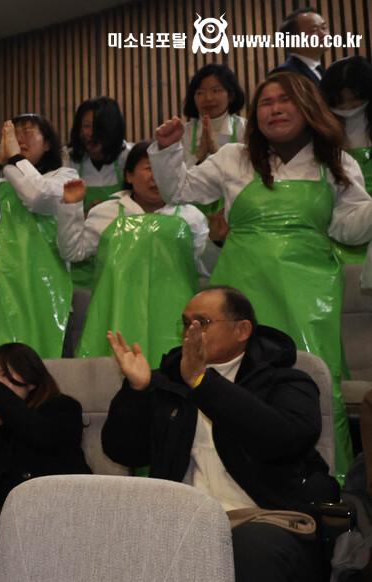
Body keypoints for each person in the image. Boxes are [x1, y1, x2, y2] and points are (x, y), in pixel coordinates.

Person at [148, 71, 372, 481]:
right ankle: (220, 480)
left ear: (308, 106)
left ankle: (327, 487)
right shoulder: (234, 156)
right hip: (240, 288)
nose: (274, 109)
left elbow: (350, 228)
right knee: (230, 378)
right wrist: (166, 149)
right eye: (266, 102)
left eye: (285, 99)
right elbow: (178, 190)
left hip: (310, 289)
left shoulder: (337, 163)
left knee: (316, 381)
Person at [102, 286, 339, 582]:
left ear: (242, 330)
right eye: (187, 323)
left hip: (266, 518)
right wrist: (137, 391)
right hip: (181, 520)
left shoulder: (286, 381)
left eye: (202, 323)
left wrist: (203, 383)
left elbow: (284, 439)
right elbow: (124, 452)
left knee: (250, 548)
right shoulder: (168, 383)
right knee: (113, 541)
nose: (191, 332)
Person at [57, 141, 208, 367]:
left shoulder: (191, 217)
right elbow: (72, 251)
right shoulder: (105, 213)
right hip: (117, 313)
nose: (156, 178)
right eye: (149, 168)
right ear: (129, 175)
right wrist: (71, 208)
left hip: (174, 318)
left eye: (162, 171)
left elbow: (198, 264)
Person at [0, 342, 90, 578]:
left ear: (30, 379)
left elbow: (39, 434)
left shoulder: (62, 408)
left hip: (55, 514)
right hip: (1, 524)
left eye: (5, 374)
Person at [0, 113, 78, 362]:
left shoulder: (64, 177)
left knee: (39, 362)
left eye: (28, 131)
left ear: (47, 143)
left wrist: (13, 160)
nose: (19, 138)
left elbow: (37, 196)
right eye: (13, 133)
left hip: (44, 286)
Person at [66, 97, 133, 287]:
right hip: (79, 261)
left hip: (122, 256)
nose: (90, 133)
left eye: (98, 127)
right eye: (85, 126)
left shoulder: (128, 157)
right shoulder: (69, 160)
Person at [322, 56, 372, 263]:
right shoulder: (322, 131)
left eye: (355, 100)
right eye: (340, 103)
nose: (348, 107)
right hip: (339, 219)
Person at [182, 64, 247, 169]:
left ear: (230, 95)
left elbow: (247, 176)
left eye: (215, 90)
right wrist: (199, 154)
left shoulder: (245, 129)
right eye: (200, 92)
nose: (208, 98)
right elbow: (177, 181)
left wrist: (215, 151)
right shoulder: (184, 133)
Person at [270, 7, 330, 85]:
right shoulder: (285, 74)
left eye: (324, 28)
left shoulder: (322, 71)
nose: (323, 34)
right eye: (313, 30)